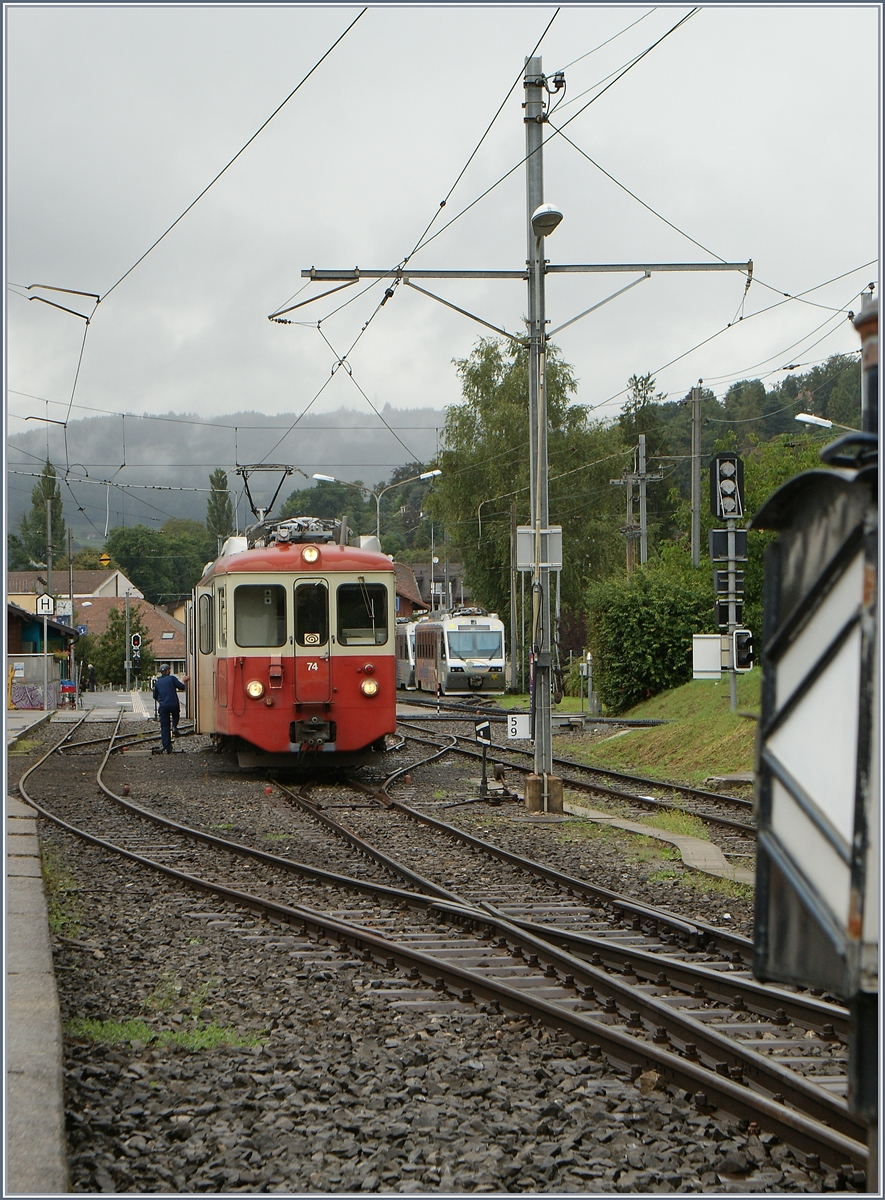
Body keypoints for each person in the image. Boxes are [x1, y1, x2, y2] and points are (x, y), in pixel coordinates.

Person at [152, 664, 189, 754]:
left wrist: (161, 701)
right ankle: (174, 726)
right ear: (168, 671)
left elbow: (155, 696)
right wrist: (184, 681)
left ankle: (167, 747)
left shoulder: (157, 682)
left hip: (163, 706)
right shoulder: (172, 678)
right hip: (173, 704)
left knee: (164, 727)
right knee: (176, 714)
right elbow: (181, 687)